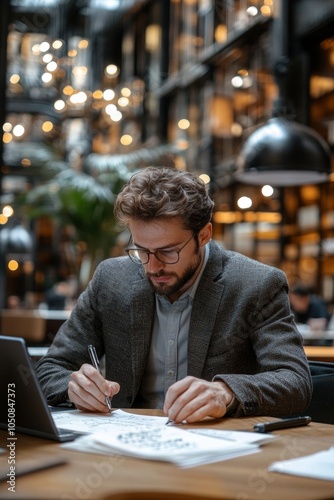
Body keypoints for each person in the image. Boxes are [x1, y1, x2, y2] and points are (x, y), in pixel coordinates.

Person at [35, 166, 312, 423]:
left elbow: (294, 381)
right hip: (121, 448)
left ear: (204, 235)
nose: (152, 267)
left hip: (214, 452)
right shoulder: (111, 280)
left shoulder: (256, 284)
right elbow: (50, 369)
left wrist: (225, 393)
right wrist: (74, 388)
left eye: (168, 252)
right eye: (141, 250)